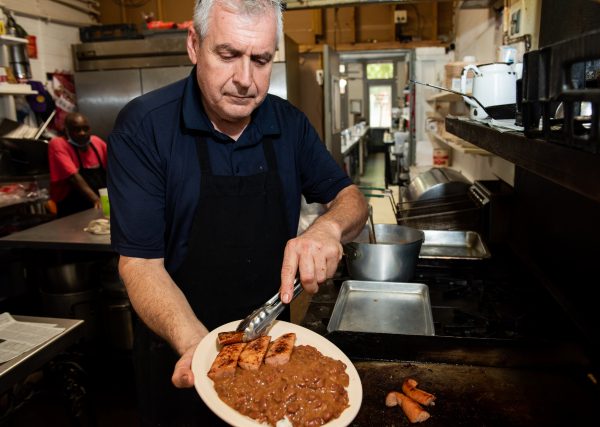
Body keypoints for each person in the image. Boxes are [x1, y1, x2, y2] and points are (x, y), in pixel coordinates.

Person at [106, 0, 368, 425]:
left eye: (261, 60)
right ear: (195, 45)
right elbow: (139, 263)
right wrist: (200, 346)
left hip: (269, 347)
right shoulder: (144, 128)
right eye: (228, 55)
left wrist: (328, 228)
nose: (245, 80)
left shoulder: (289, 124)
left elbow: (352, 197)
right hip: (177, 347)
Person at [48, 112, 107, 217]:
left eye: (85, 129)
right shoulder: (58, 144)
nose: (82, 133)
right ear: (67, 130)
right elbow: (73, 177)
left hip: (98, 206)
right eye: (77, 129)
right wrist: (96, 200)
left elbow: (116, 169)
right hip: (72, 208)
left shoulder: (97, 142)